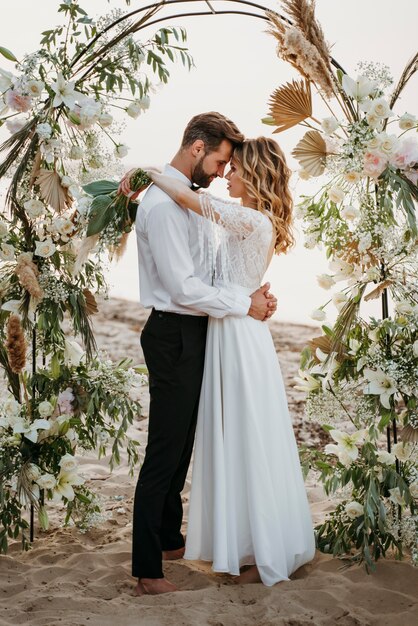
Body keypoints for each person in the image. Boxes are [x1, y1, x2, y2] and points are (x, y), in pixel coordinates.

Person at [146, 136, 316, 587]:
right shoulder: (248, 220)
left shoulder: (248, 218)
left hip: (239, 335)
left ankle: (264, 553)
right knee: (237, 436)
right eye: (227, 166)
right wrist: (250, 296)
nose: (227, 175)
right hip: (232, 326)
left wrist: (143, 173)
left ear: (255, 174)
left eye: (236, 168)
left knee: (248, 436)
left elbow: (183, 195)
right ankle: (246, 543)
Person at [122, 113, 277, 596]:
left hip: (198, 332)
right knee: (165, 451)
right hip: (174, 333)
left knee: (184, 442)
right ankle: (149, 570)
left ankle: (169, 538)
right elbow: (182, 287)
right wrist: (244, 304)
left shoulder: (187, 199)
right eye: (218, 160)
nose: (219, 171)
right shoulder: (165, 208)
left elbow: (213, 268)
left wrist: (249, 294)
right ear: (195, 147)